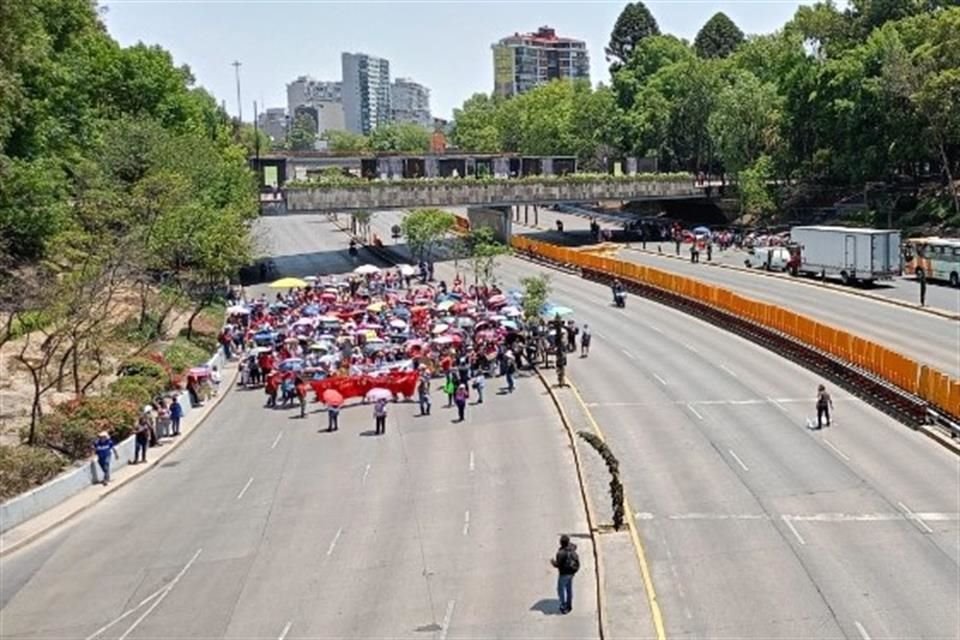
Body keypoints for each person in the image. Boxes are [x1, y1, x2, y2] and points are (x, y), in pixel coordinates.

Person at [550, 534, 580, 614]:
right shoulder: (572, 548)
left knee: (561, 589)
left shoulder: (560, 553)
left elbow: (558, 565)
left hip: (564, 574)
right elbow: (575, 546)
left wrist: (553, 562)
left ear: (561, 543)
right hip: (572, 572)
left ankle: (563, 605)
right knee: (569, 589)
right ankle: (569, 605)